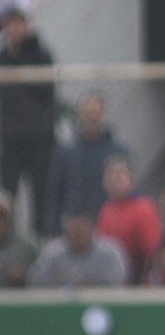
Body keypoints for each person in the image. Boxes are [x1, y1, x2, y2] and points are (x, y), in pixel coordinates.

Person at [0, 7, 54, 234]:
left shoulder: (40, 55)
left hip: (37, 137)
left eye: (18, 23)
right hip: (9, 138)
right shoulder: (3, 58)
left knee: (40, 192)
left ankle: (39, 237)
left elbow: (47, 92)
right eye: (9, 24)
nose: (14, 29)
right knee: (7, 194)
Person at [43, 92, 124, 236]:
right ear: (80, 115)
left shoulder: (118, 153)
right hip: (73, 230)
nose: (92, 118)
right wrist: (52, 230)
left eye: (96, 113)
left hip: (108, 230)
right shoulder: (66, 154)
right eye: (88, 113)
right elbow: (55, 194)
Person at [95, 154, 162, 283]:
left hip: (136, 281)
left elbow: (153, 252)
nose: (116, 178)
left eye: (121, 174)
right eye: (111, 174)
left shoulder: (143, 208)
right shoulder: (106, 209)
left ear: (131, 179)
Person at [26, 209, 128, 287]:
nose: (76, 238)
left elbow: (118, 282)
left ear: (92, 230)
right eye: (71, 234)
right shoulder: (53, 252)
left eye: (80, 234)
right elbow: (35, 280)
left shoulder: (110, 253)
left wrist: (90, 285)